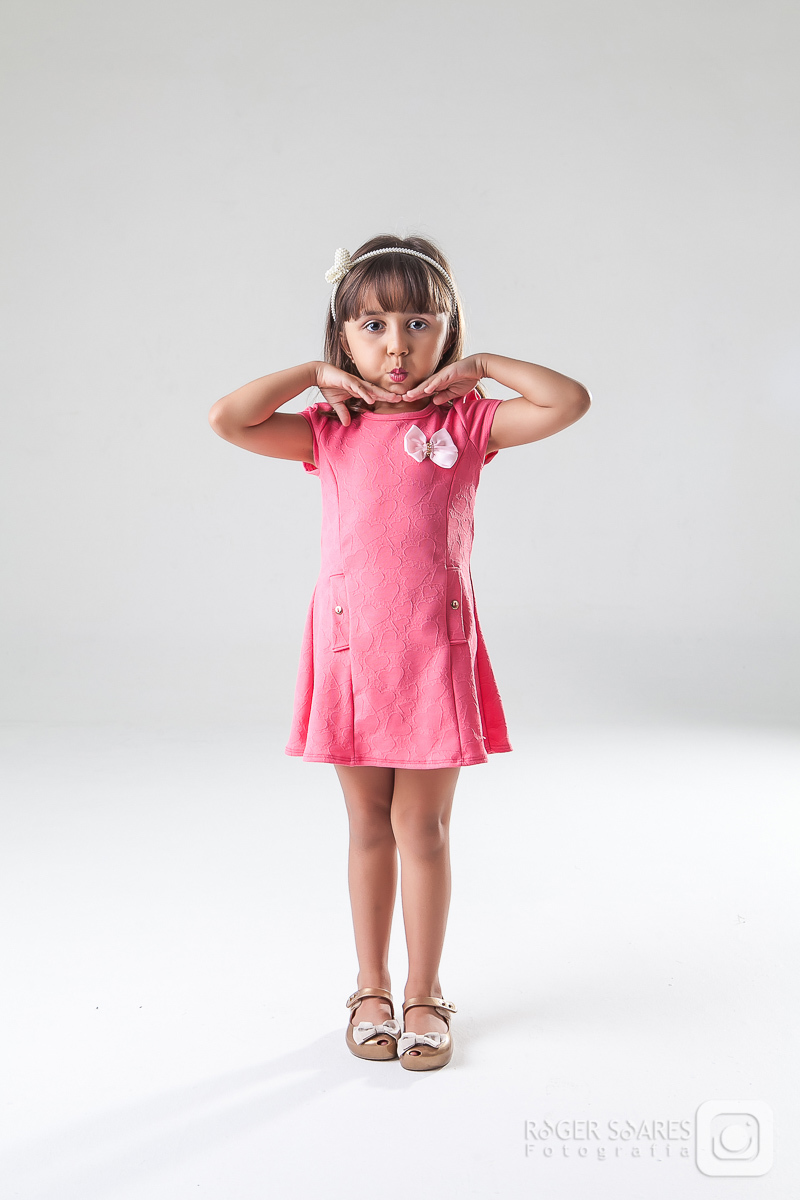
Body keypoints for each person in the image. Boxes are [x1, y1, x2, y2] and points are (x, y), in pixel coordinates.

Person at [208, 233, 591, 1071]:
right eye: (373, 325)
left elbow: (568, 401)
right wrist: (313, 376)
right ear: (344, 337)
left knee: (423, 826)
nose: (397, 346)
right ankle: (370, 986)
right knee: (366, 825)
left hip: (432, 651)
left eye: (420, 323)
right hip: (351, 650)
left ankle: (424, 992)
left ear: (446, 332)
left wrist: (481, 367)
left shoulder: (467, 421)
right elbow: (228, 419)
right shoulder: (328, 430)